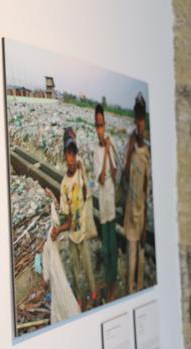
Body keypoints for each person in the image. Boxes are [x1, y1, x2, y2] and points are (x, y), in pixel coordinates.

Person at [51, 127, 97, 309]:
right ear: (64, 155)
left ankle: (93, 294)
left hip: (83, 234)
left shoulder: (80, 173)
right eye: (69, 154)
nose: (72, 158)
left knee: (88, 268)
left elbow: (87, 193)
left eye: (74, 154)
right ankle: (80, 298)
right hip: (72, 236)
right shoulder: (64, 185)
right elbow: (68, 220)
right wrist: (59, 230)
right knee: (76, 271)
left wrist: (83, 170)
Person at [123, 93, 150, 294]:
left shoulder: (147, 153)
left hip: (141, 215)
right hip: (130, 213)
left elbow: (147, 189)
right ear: (134, 120)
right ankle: (131, 292)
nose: (139, 123)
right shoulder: (131, 147)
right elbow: (123, 178)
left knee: (139, 256)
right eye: (137, 118)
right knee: (131, 257)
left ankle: (139, 291)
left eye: (142, 118)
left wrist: (146, 223)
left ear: (144, 121)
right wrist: (129, 151)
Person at [93, 104, 118, 302]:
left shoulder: (109, 147)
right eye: (98, 125)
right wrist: (104, 151)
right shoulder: (95, 152)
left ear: (105, 125)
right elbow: (101, 178)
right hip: (103, 201)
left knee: (113, 241)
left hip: (111, 199)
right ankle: (109, 281)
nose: (100, 129)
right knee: (107, 246)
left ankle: (113, 282)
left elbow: (114, 173)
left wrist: (109, 151)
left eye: (102, 124)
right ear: (95, 127)